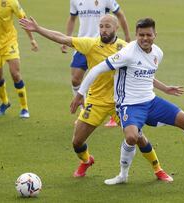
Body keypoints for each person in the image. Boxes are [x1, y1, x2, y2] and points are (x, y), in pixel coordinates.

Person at [71, 18, 184, 185]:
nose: (145, 38)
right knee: (132, 137)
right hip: (129, 105)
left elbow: (146, 74)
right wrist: (79, 94)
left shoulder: (158, 53)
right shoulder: (127, 53)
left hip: (151, 101)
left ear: (155, 35)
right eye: (141, 35)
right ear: (136, 35)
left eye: (148, 35)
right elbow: (97, 69)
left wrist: (165, 88)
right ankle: (123, 175)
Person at [19, 15, 173, 182]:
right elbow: (63, 38)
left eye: (107, 26)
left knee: (138, 138)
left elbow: (143, 72)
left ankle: (158, 169)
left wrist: (164, 87)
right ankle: (86, 160)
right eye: (101, 26)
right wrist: (38, 29)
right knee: (77, 142)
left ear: (116, 28)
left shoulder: (125, 48)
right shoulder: (91, 44)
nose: (103, 30)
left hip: (120, 103)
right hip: (95, 102)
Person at [63, 0, 131, 127]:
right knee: (75, 80)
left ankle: (113, 112)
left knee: (108, 79)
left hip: (102, 45)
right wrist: (67, 37)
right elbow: (72, 18)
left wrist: (127, 36)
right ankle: (84, 111)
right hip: (84, 43)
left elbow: (120, 14)